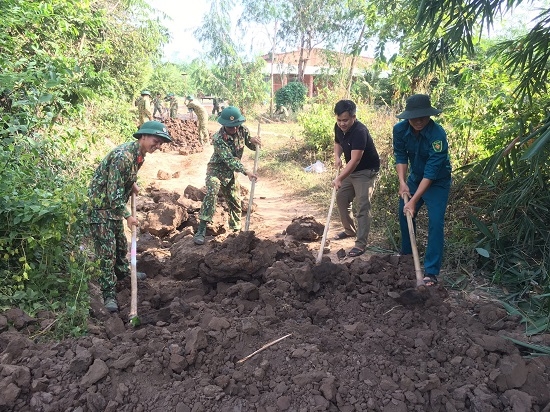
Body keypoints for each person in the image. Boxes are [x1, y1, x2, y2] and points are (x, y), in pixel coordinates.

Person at [88, 121, 173, 312]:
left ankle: (124, 274)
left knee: (119, 245)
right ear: (143, 136)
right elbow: (112, 193)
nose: (158, 146)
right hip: (101, 209)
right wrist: (128, 216)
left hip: (112, 209)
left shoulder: (139, 155)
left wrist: (131, 183)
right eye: (156, 141)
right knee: (107, 253)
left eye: (160, 143)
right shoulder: (124, 157)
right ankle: (108, 294)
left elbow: (124, 178)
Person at [393, 94, 452, 286]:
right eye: (414, 117)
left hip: (437, 182)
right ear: (407, 116)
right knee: (404, 214)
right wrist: (403, 182)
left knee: (435, 222)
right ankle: (408, 256)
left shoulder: (438, 136)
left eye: (423, 117)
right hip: (415, 178)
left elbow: (431, 172)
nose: (418, 121)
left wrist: (413, 200)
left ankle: (431, 271)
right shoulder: (399, 130)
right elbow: (400, 156)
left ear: (429, 116)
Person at [194, 106, 261, 245]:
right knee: (213, 190)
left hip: (231, 173)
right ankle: (201, 230)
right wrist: (246, 171)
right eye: (231, 127)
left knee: (234, 200)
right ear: (224, 125)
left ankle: (236, 232)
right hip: (216, 171)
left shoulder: (243, 130)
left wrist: (255, 141)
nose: (235, 129)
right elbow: (229, 160)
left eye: (236, 126)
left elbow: (250, 144)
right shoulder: (218, 139)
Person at [332, 100, 380, 257]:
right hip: (352, 171)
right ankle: (349, 230)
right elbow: (337, 142)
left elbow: (355, 160)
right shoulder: (338, 127)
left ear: (354, 117)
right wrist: (337, 156)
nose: (342, 124)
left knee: (362, 205)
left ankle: (360, 244)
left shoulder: (360, 131)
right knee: (341, 197)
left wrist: (339, 178)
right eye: (339, 120)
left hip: (366, 171)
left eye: (345, 120)